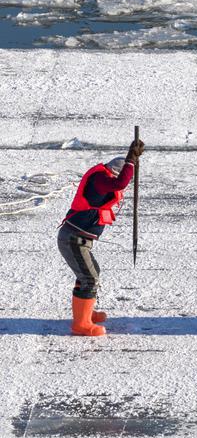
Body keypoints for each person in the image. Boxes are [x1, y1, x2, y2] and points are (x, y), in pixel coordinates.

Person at [58, 137, 145, 336]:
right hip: (73, 238)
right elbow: (121, 183)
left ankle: (85, 313)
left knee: (91, 273)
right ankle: (81, 324)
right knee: (89, 277)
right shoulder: (101, 180)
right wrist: (131, 159)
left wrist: (131, 161)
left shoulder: (104, 177)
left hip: (78, 239)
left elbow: (121, 181)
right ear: (115, 172)